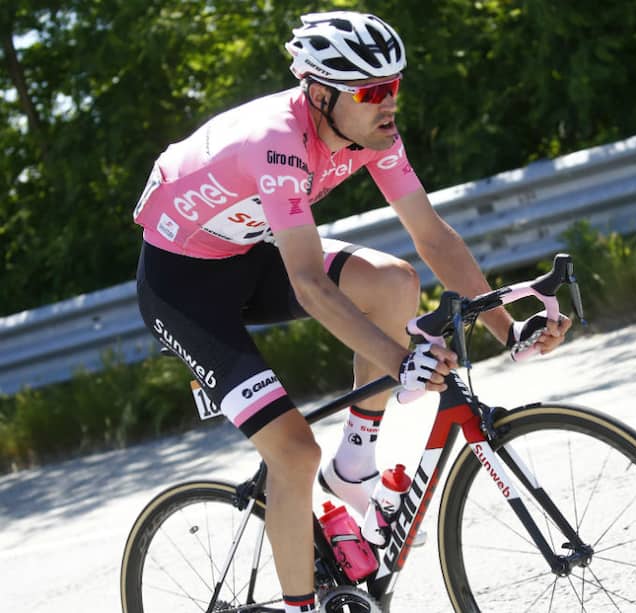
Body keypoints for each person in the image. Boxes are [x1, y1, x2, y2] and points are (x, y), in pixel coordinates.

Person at [133, 10, 571, 612]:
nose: (388, 102)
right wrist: (401, 359)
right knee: (293, 453)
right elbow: (311, 287)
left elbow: (432, 236)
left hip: (246, 254)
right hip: (182, 288)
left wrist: (507, 328)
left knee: (393, 282)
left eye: (394, 86)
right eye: (371, 91)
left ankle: (355, 463)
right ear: (319, 92)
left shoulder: (374, 134)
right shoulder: (276, 142)